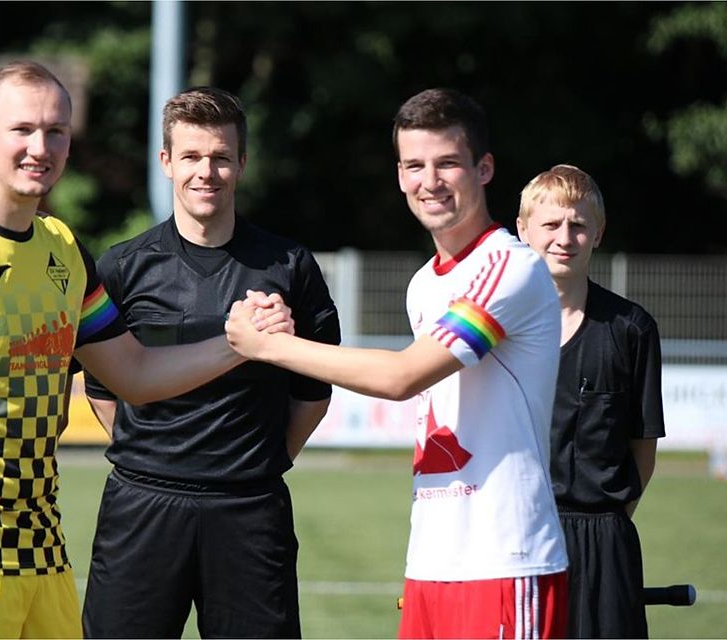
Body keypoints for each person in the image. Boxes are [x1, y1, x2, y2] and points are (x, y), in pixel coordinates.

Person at [0, 62, 287, 639]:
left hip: (41, 552)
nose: (39, 147)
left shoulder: (64, 249)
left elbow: (134, 372)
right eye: (22, 129)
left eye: (56, 131)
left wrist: (238, 342)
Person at [226, 88, 569, 639]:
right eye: (414, 165)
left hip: (505, 559)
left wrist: (269, 346)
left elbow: (402, 376)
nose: (428, 181)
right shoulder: (423, 284)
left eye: (447, 163)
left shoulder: (509, 267)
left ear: (483, 169)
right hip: (432, 562)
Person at [80, 87, 341, 639]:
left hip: (249, 509)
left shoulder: (289, 266)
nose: (207, 171)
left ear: (242, 163)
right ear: (166, 162)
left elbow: (313, 394)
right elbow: (103, 390)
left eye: (221, 157)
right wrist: (158, 456)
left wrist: (252, 462)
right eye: (193, 157)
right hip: (142, 506)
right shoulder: (122, 267)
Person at [516, 164, 665, 638]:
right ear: (523, 230)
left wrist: (604, 531)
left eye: (578, 225)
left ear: (598, 233)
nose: (565, 237)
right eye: (551, 224)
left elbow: (643, 452)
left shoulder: (631, 328)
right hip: (515, 538)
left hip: (605, 540)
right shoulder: (495, 330)